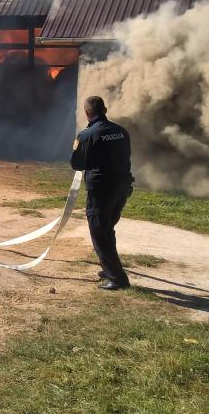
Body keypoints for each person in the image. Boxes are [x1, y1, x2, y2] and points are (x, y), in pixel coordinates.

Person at [70, 95, 134, 291]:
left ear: (87, 113)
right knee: (107, 228)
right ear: (105, 110)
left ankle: (117, 279)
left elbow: (77, 163)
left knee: (99, 232)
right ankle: (108, 269)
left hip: (101, 191)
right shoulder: (121, 131)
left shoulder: (87, 135)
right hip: (121, 188)